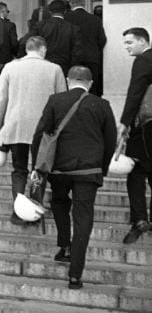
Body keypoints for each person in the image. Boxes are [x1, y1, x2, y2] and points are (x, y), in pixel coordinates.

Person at [31, 66, 116, 290]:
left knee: (59, 202)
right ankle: (75, 275)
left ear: (68, 81)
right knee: (83, 216)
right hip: (88, 171)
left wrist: (36, 167)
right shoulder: (102, 105)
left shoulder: (55, 100)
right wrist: (102, 169)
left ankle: (64, 246)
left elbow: (40, 134)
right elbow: (110, 141)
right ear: (91, 83)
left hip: (58, 169)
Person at [0, 36, 66, 224]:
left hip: (16, 125)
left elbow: (1, 100)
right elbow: (62, 100)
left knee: (19, 169)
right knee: (39, 170)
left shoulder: (10, 67)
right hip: (44, 128)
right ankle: (34, 208)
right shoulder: (55, 69)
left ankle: (18, 208)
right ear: (43, 49)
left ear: (27, 49)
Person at [117, 27, 152, 244]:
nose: (127, 47)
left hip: (146, 127)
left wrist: (124, 122)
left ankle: (140, 219)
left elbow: (135, 91)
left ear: (142, 41)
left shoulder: (143, 60)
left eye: (130, 43)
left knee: (136, 172)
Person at [27, 0, 83, 77]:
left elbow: (25, 42)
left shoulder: (40, 25)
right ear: (65, 11)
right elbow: (77, 52)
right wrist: (71, 67)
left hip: (43, 65)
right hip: (64, 67)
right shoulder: (73, 28)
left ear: (50, 11)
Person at [65, 0, 106, 95]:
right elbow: (102, 40)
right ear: (84, 3)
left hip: (72, 59)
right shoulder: (95, 19)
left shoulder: (66, 18)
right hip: (91, 59)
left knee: (71, 91)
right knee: (91, 91)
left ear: (70, 3)